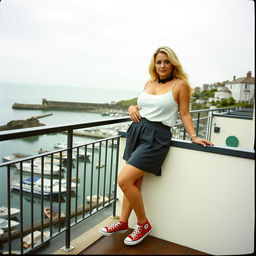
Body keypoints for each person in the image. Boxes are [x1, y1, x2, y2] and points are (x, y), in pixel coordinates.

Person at [99, 46, 213, 246]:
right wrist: (131, 107)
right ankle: (124, 222)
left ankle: (142, 224)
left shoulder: (180, 85)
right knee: (134, 182)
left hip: (156, 137)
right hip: (136, 131)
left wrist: (194, 136)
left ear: (173, 63)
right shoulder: (149, 82)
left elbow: (185, 114)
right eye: (159, 62)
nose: (162, 65)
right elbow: (142, 106)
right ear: (154, 64)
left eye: (166, 61)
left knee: (124, 180)